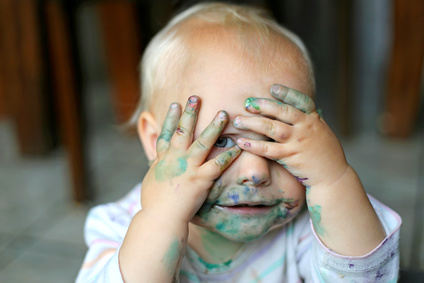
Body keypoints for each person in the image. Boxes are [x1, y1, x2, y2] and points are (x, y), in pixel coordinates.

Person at [76, 2, 401, 282]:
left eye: (278, 141)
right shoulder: (118, 227)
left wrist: (333, 178)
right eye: (219, 141)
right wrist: (161, 221)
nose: (256, 172)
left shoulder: (309, 224)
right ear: (153, 140)